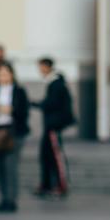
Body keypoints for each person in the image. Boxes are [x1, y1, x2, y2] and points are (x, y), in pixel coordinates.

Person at [0, 62, 30, 213]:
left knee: (10, 166)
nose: (2, 77)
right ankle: (3, 198)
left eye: (5, 73)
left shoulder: (19, 91)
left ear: (11, 74)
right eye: (0, 74)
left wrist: (10, 110)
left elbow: (23, 113)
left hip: (13, 132)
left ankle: (11, 199)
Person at [32, 58, 75, 198]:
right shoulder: (55, 83)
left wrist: (37, 104)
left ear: (46, 66)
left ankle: (60, 185)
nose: (40, 70)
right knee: (46, 154)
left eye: (41, 67)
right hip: (51, 125)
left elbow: (53, 103)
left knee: (55, 155)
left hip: (53, 125)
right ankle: (46, 184)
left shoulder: (56, 84)